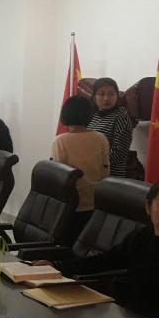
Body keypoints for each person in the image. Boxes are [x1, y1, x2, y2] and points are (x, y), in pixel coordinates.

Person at [58, 182, 159, 318]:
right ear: (148, 206)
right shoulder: (141, 236)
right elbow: (106, 260)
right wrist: (58, 267)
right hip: (129, 313)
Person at [51, 95, 110, 239]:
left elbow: (59, 179)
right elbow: (105, 173)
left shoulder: (60, 141)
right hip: (94, 203)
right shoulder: (101, 138)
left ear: (65, 115)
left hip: (69, 205)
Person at [87, 77, 132, 177]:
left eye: (111, 94)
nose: (106, 98)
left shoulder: (121, 116)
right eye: (101, 94)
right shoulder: (94, 114)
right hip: (93, 172)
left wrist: (91, 161)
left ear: (117, 96)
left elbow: (119, 153)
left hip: (111, 177)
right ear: (94, 97)